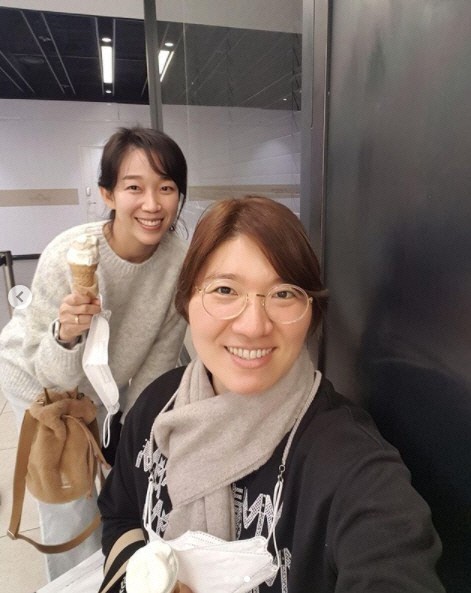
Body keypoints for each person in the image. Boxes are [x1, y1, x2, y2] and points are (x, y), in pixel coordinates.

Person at [97, 196, 445, 593]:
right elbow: (120, 515)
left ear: (311, 311)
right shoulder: (158, 405)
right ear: (187, 301)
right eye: (225, 290)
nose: (253, 326)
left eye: (283, 294)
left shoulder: (349, 462)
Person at [0, 126, 189, 579]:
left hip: (102, 383)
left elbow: (157, 365)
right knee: (71, 500)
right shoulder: (67, 255)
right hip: (38, 378)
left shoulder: (179, 262)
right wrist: (67, 334)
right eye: (134, 187)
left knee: (116, 484)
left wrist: (131, 436)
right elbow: (51, 375)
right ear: (107, 194)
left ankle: (108, 575)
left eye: (166, 188)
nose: (152, 204)